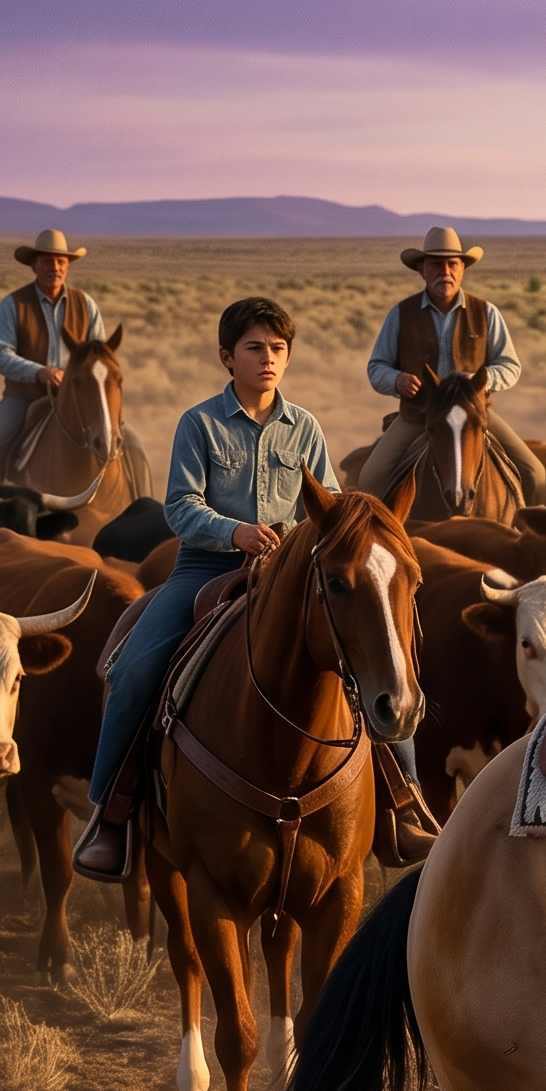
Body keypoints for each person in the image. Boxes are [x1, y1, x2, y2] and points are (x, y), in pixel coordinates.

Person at [73, 296, 338, 883]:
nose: (268, 359)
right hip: (203, 569)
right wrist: (236, 531)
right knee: (136, 668)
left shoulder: (306, 429)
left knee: (364, 649)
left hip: (289, 576)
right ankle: (110, 816)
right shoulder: (200, 423)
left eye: (277, 349)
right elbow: (179, 507)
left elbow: (327, 506)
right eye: (254, 348)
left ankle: (402, 797)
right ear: (227, 357)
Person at [357, 227, 546, 509]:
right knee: (370, 478)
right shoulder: (401, 314)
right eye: (436, 265)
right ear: (421, 270)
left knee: (534, 473)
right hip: (418, 416)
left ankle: (530, 543)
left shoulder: (486, 312)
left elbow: (509, 365)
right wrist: (397, 380)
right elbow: (377, 367)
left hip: (473, 415)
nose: (444, 271)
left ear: (462, 270)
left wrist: (483, 380)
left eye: (452, 264)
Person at [0, 229, 107, 486]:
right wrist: (39, 371)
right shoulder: (13, 304)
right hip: (23, 397)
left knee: (128, 444)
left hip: (77, 398)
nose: (55, 267)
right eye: (47, 261)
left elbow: (99, 356)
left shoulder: (86, 305)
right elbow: (1, 355)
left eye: (61, 261)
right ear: (34, 265)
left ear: (68, 266)